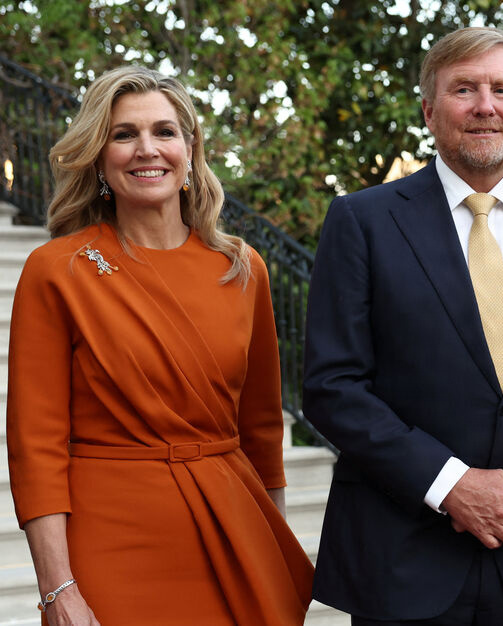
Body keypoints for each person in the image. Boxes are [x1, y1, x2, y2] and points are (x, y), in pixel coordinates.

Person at [303, 26, 503, 625]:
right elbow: (332, 385)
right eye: (463, 89)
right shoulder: (361, 221)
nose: (485, 107)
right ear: (429, 109)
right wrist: (451, 485)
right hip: (401, 558)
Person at [5, 66, 314, 625]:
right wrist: (58, 589)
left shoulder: (243, 269)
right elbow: (36, 447)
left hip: (233, 524)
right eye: (124, 135)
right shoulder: (57, 269)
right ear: (100, 157)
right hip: (111, 537)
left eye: (164, 132)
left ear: (191, 150)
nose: (147, 149)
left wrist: (272, 543)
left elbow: (263, 430)